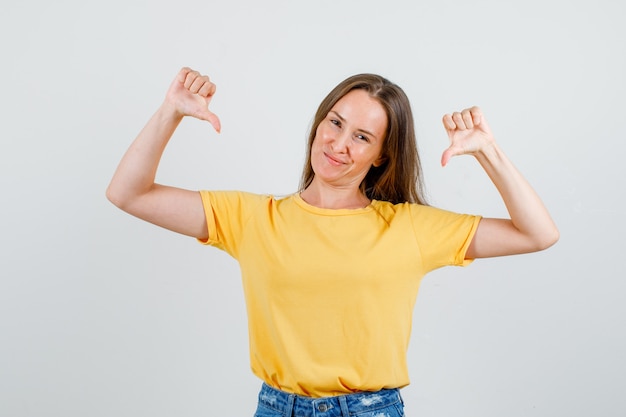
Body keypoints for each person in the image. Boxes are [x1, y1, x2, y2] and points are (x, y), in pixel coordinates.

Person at [106, 67, 559, 416]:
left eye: (361, 136)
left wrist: (487, 151)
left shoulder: (409, 227)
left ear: (382, 154)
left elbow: (538, 233)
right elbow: (128, 193)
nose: (338, 143)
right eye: (335, 122)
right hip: (276, 407)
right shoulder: (250, 217)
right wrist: (170, 111)